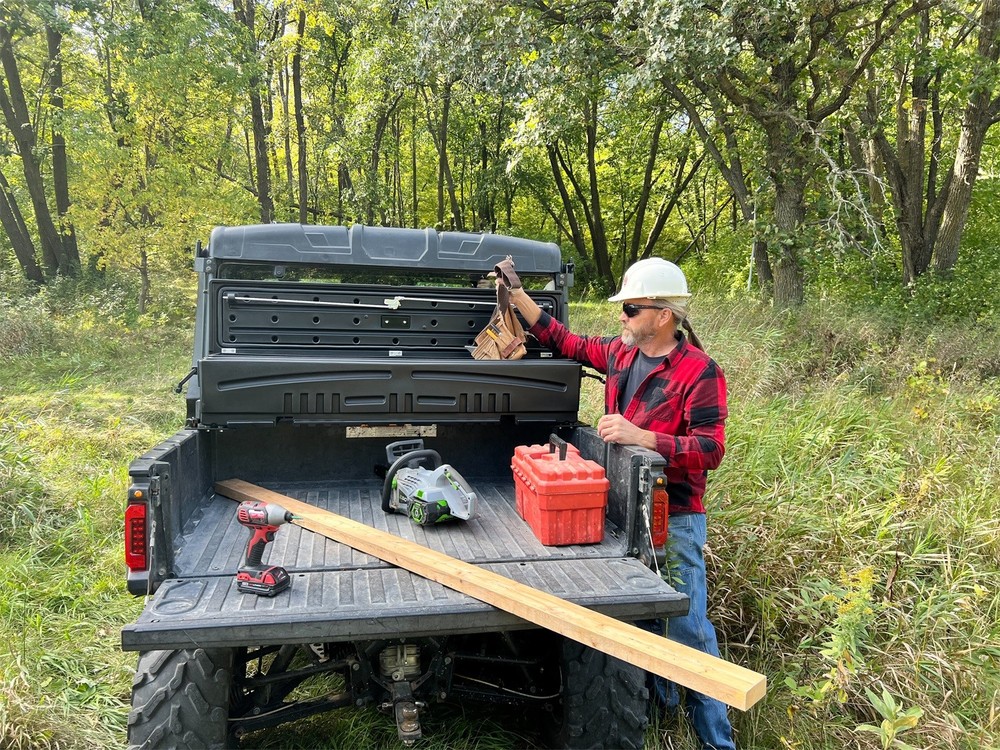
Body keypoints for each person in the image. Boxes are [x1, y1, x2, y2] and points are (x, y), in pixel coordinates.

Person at [504, 257, 735, 750]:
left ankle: (717, 740)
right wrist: (519, 296)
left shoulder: (700, 372)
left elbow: (710, 451)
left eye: (631, 309)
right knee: (645, 617)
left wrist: (645, 438)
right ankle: (662, 713)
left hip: (674, 518)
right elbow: (567, 341)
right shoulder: (622, 354)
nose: (622, 317)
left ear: (665, 314)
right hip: (621, 511)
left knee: (689, 630)